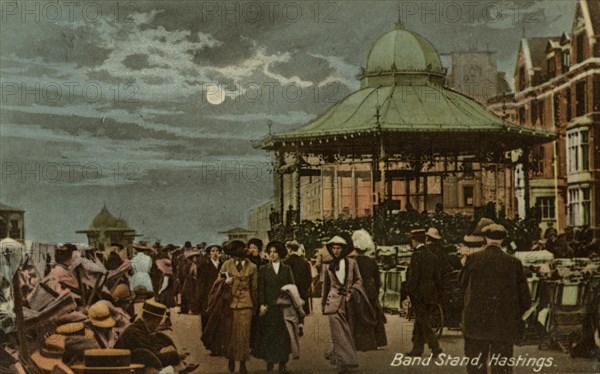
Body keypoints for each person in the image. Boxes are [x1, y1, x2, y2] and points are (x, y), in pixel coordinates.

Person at [459, 224, 531, 374]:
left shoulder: (472, 259)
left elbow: (461, 286)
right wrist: (514, 314)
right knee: (502, 367)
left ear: (485, 239)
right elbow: (525, 298)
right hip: (503, 323)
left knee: (476, 366)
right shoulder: (514, 263)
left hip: (475, 322)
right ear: (503, 240)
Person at [322, 235, 362, 374]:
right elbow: (325, 287)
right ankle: (345, 363)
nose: (335, 251)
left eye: (338, 248)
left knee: (347, 331)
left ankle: (336, 355)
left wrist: (351, 291)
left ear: (343, 249)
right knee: (338, 334)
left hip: (348, 302)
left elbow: (358, 280)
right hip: (333, 303)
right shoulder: (328, 266)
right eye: (333, 248)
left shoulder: (352, 263)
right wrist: (323, 305)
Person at [256, 241, 296, 372]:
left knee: (283, 335)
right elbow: (260, 288)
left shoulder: (287, 269)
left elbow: (291, 287)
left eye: (275, 252)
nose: (272, 254)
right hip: (269, 307)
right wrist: (262, 304)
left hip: (283, 307)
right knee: (269, 334)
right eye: (270, 252)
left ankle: (282, 362)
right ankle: (270, 360)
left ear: (280, 253)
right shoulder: (263, 269)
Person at [220, 240, 258, 374]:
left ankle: (242, 363)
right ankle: (231, 358)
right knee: (231, 334)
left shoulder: (252, 267)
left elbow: (254, 288)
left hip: (246, 304)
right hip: (230, 304)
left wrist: (255, 306)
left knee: (243, 336)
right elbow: (218, 283)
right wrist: (225, 282)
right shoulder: (226, 265)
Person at [405, 228, 443, 358]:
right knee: (420, 320)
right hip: (431, 293)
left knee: (423, 320)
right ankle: (417, 348)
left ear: (414, 241)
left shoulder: (416, 255)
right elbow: (437, 277)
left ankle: (435, 346)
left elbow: (413, 277)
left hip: (419, 294)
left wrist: (410, 291)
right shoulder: (432, 256)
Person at [351, 229, 387, 349]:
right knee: (373, 313)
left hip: (357, 289)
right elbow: (377, 279)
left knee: (359, 314)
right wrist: (376, 290)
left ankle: (359, 341)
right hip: (370, 288)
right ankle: (377, 340)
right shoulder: (371, 261)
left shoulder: (353, 262)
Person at [198, 244, 223, 329]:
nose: (215, 253)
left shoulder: (223, 265)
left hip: (220, 293)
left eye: (217, 251)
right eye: (213, 251)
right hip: (207, 294)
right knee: (207, 315)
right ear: (209, 254)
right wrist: (200, 296)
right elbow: (201, 282)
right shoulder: (204, 265)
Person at [284, 240, 312, 315]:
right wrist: (304, 288)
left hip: (289, 294)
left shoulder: (285, 263)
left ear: (289, 249)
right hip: (302, 293)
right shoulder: (305, 263)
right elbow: (309, 278)